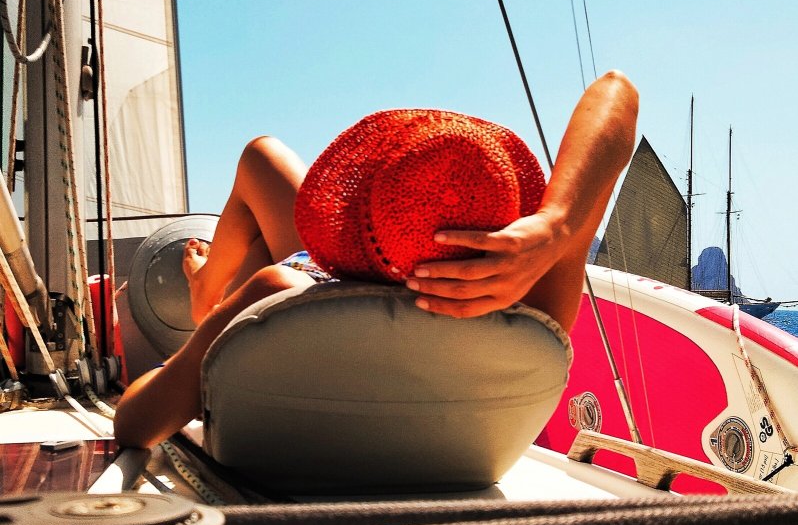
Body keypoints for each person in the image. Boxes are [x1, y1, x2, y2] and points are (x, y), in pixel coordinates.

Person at [114, 70, 638, 448]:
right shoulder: (539, 306)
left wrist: (207, 339)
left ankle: (208, 295)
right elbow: (619, 92)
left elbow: (136, 423)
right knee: (262, 173)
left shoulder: (276, 298)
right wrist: (556, 225)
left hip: (304, 296)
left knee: (260, 158)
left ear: (351, 217)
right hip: (458, 442)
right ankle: (212, 289)